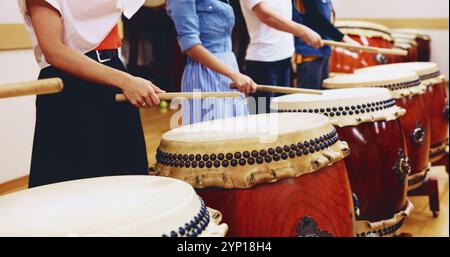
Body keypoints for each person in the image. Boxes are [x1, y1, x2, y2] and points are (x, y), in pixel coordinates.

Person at [18, 0, 162, 187]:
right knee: (70, 187)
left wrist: (125, 80)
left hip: (112, 71)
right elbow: (53, 50)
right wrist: (126, 81)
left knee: (125, 182)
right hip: (69, 87)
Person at [166, 0, 257, 125]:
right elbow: (190, 45)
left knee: (237, 134)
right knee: (213, 137)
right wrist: (233, 74)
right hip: (205, 73)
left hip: (229, 69)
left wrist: (234, 74)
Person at [239, 0, 323, 114]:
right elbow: (266, 15)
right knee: (262, 122)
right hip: (262, 63)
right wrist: (303, 32)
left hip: (285, 59)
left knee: (282, 121)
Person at [293, 0, 359, 89]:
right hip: (309, 52)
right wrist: (344, 39)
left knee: (323, 96)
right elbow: (315, 17)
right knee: (310, 98)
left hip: (324, 50)